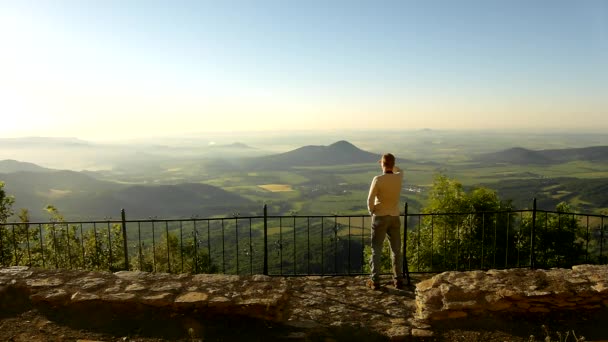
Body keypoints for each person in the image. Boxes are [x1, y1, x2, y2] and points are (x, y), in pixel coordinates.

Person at [366, 153, 404, 290]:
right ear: (393, 165)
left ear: (382, 164)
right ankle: (398, 280)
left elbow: (370, 200)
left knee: (376, 250)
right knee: (396, 250)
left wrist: (372, 211)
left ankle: (375, 281)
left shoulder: (378, 179)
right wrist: (389, 164)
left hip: (380, 216)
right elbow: (398, 169)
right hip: (394, 216)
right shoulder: (399, 177)